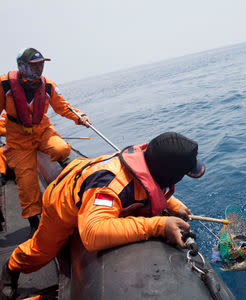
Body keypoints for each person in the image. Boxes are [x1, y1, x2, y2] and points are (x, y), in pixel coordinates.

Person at [0, 131, 206, 298]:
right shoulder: (110, 187)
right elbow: (92, 234)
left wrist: (171, 204)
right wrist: (158, 225)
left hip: (87, 180)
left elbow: (143, 185)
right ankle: (11, 268)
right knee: (41, 251)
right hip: (62, 202)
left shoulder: (148, 164)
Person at [0, 48, 91, 234]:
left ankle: (71, 177)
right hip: (18, 139)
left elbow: (63, 107)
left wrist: (80, 117)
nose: (40, 68)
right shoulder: (5, 85)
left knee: (61, 148)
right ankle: (34, 222)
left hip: (42, 131)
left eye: (41, 64)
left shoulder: (48, 86)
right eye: (35, 65)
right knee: (26, 181)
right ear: (22, 66)